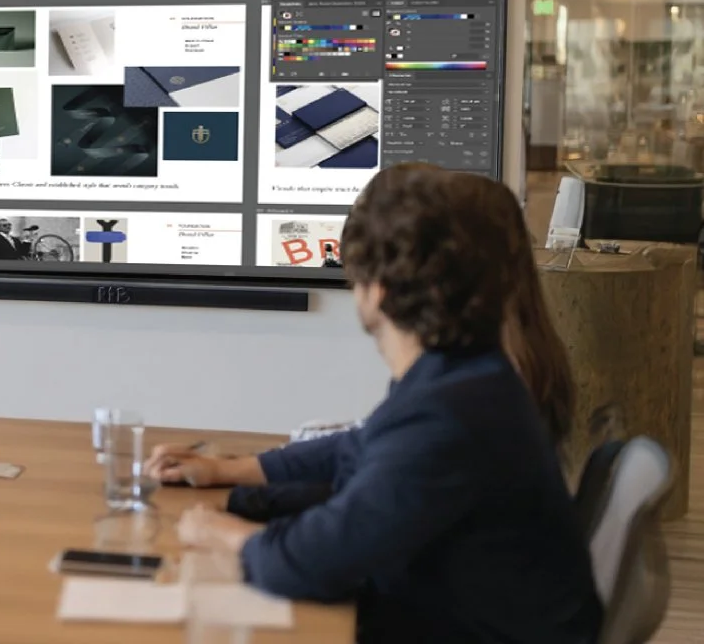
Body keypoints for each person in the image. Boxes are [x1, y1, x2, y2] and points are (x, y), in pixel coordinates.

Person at [170, 166, 601, 644]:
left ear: (380, 292)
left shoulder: (452, 412)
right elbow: (359, 451)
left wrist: (220, 533)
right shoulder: (462, 373)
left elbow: (314, 563)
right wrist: (229, 474)